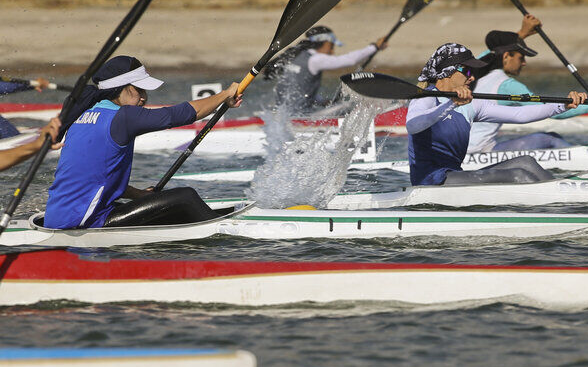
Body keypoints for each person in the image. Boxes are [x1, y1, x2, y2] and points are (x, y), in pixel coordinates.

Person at [44, 56, 242, 229]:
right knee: (185, 197)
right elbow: (180, 114)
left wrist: (140, 195)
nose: (144, 98)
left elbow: (96, 177)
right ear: (121, 88)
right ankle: (228, 232)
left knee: (164, 204)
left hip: (57, 217)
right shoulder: (123, 117)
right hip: (83, 222)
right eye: (140, 90)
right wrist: (225, 95)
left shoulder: (82, 114)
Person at [407, 43, 587, 186]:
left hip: (454, 175)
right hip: (431, 181)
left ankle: (565, 194)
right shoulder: (426, 98)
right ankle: (560, 205)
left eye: (474, 73)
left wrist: (562, 105)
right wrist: (450, 104)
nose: (472, 78)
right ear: (448, 71)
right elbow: (413, 125)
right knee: (518, 175)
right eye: (468, 71)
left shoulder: (471, 105)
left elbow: (520, 114)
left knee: (526, 163)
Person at [468, 14, 588, 153]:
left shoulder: (474, 73)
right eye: (521, 58)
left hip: (462, 149)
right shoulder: (507, 85)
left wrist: (521, 34)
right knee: (549, 139)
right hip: (476, 151)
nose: (524, 63)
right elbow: (552, 111)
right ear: (506, 56)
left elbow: (491, 53)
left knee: (551, 137)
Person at [264, 25, 388, 114]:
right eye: (332, 46)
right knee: (346, 108)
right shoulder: (316, 60)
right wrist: (374, 47)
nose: (333, 51)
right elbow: (349, 60)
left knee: (335, 106)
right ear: (324, 43)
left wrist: (322, 102)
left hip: (282, 113)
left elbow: (299, 87)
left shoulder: (294, 55)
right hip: (298, 116)